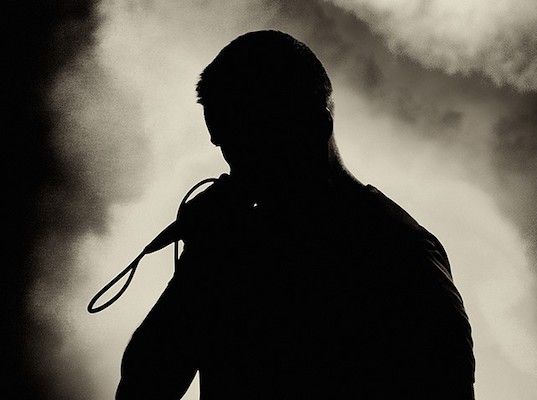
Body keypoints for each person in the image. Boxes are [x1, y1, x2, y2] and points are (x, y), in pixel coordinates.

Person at [116, 30, 475, 399]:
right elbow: (142, 389)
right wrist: (200, 263)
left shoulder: (398, 253)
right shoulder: (234, 249)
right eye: (226, 144)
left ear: (315, 127)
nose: (236, 163)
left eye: (253, 141)